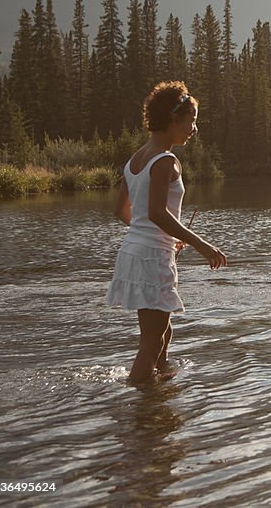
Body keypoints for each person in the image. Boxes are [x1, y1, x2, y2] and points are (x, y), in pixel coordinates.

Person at [107, 81, 227, 385]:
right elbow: (158, 213)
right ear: (175, 119)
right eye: (192, 120)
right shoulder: (166, 161)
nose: (194, 129)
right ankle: (141, 406)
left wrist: (161, 236)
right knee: (152, 341)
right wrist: (200, 244)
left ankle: (160, 388)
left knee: (162, 331)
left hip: (135, 253)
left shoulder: (136, 159)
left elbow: (123, 211)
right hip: (150, 257)